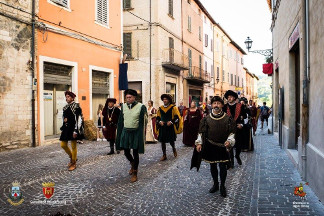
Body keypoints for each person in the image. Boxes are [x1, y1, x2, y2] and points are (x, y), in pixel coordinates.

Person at [195, 96, 236, 197]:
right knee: (212, 166)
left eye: (218, 103)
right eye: (214, 103)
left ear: (222, 105)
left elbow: (232, 133)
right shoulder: (206, 119)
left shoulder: (228, 118)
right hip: (210, 145)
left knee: (222, 166)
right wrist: (199, 143)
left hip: (223, 146)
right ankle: (215, 184)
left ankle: (222, 186)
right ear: (211, 105)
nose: (216, 105)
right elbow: (201, 133)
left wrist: (229, 141)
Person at [116, 89, 148, 183]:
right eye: (126, 97)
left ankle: (135, 173)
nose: (128, 99)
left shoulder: (141, 107)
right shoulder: (123, 106)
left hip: (136, 132)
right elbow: (121, 121)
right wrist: (119, 133)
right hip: (126, 132)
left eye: (130, 97)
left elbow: (144, 122)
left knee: (135, 153)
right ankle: (133, 163)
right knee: (126, 152)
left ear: (134, 97)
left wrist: (141, 135)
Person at [60, 91, 84, 171]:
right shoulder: (65, 107)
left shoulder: (76, 107)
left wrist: (76, 131)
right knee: (63, 144)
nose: (67, 98)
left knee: (73, 146)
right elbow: (63, 118)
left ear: (72, 98)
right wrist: (63, 126)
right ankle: (72, 157)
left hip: (73, 128)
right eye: (66, 97)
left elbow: (79, 119)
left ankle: (73, 163)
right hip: (66, 129)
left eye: (68, 97)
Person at [156, 94, 182, 161]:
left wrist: (171, 122)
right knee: (162, 142)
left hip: (170, 127)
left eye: (166, 99)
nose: (164, 100)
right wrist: (159, 122)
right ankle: (164, 155)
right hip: (162, 126)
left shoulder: (173, 107)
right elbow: (158, 117)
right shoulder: (160, 108)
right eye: (164, 99)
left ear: (169, 100)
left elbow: (177, 117)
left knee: (171, 141)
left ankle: (174, 149)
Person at [223, 90, 246, 168]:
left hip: (238, 128)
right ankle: (231, 162)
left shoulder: (240, 106)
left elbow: (245, 117)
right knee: (229, 146)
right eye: (228, 97)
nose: (229, 98)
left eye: (231, 97)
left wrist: (242, 125)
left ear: (234, 98)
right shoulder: (224, 107)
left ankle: (237, 155)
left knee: (238, 145)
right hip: (228, 129)